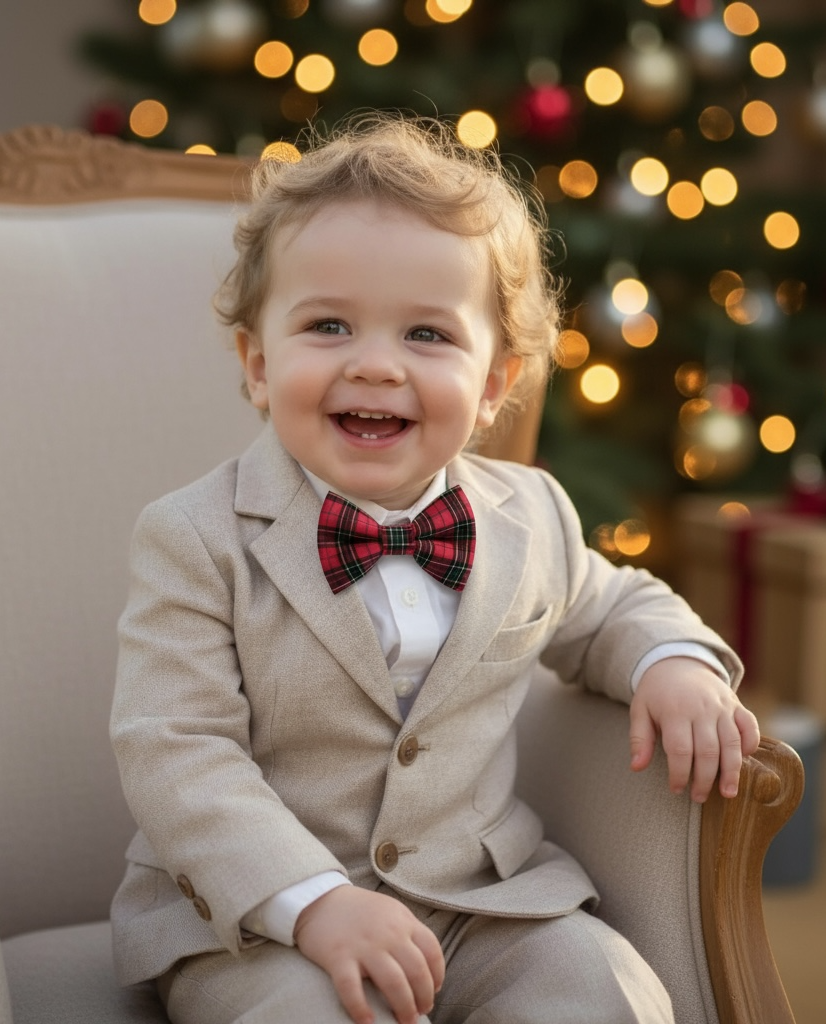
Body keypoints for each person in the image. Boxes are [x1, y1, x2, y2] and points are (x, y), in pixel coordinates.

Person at [109, 114, 759, 1024]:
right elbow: (175, 751)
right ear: (259, 364)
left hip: (483, 905)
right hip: (264, 922)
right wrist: (313, 902)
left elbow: (609, 607)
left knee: (601, 991)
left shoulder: (529, 513)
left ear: (496, 383)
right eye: (328, 326)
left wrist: (671, 661)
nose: (375, 366)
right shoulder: (192, 536)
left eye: (427, 336)